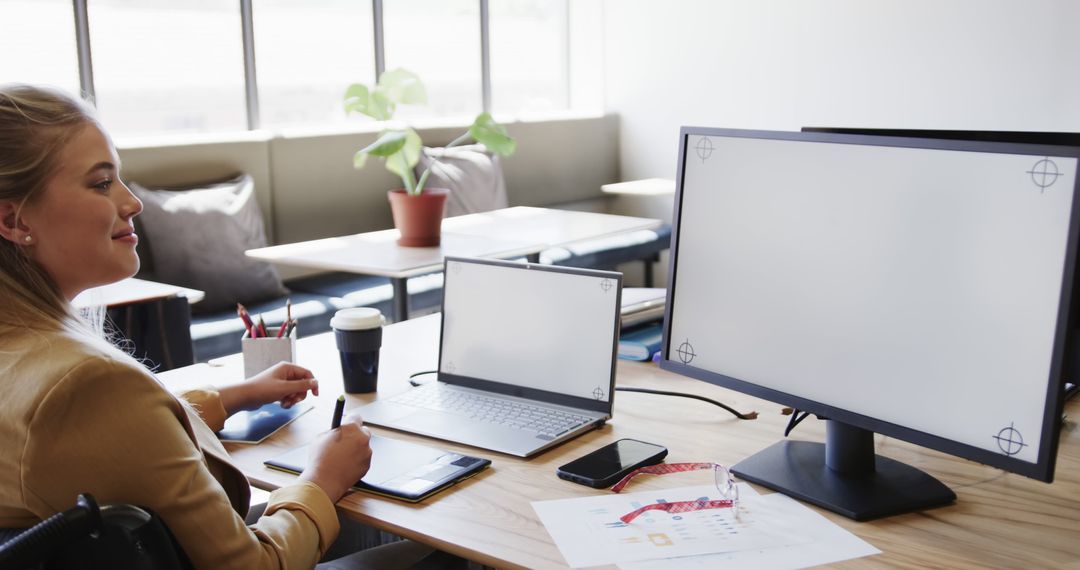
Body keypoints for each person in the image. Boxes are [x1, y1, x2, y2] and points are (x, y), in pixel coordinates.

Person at [0, 84, 438, 569]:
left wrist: (234, 396)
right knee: (436, 547)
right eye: (102, 183)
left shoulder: (27, 364)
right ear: (12, 219)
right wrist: (321, 478)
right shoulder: (86, 383)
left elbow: (110, 440)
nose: (132, 202)